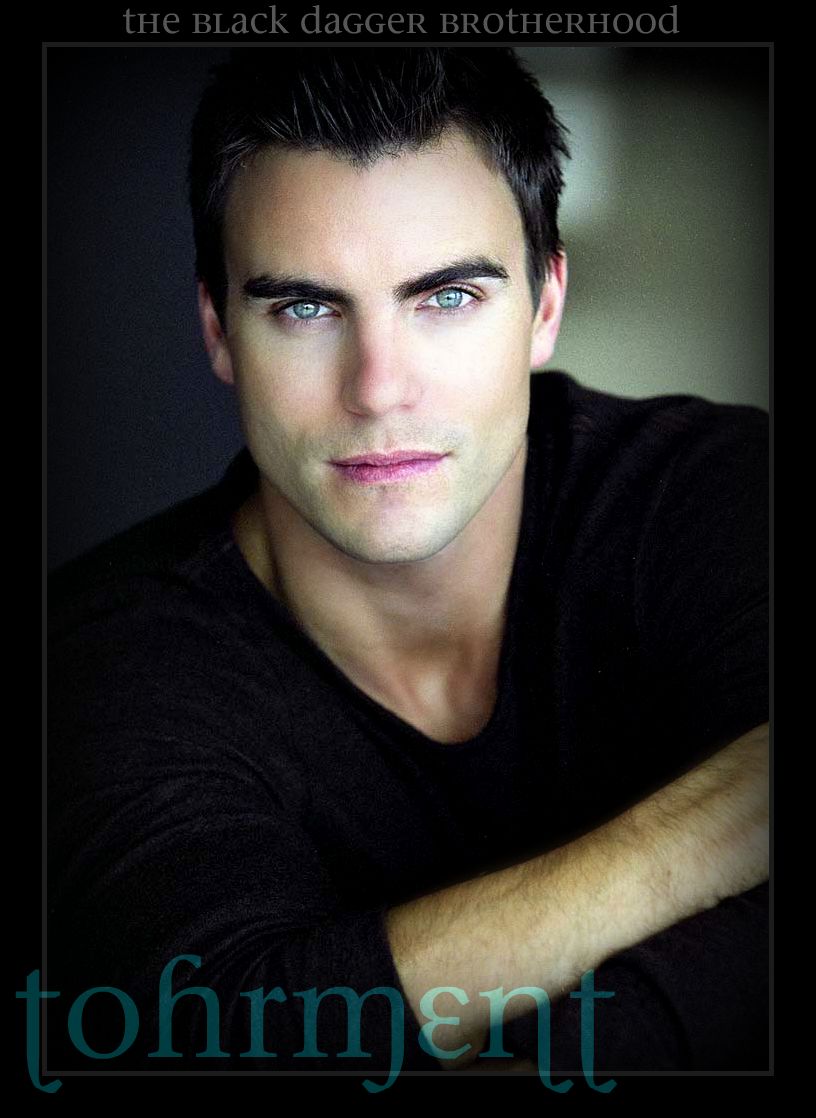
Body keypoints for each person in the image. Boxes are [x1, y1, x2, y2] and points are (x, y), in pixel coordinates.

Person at [47, 47, 769, 1085]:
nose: (379, 387)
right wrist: (719, 831)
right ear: (219, 332)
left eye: (448, 296)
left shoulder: (724, 497)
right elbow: (236, 1032)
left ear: (546, 304)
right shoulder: (97, 668)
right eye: (306, 308)